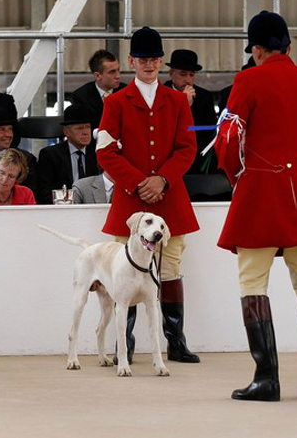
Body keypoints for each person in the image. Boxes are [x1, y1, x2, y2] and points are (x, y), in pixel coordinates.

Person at [215, 11, 297, 402]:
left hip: (261, 196)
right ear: (289, 46)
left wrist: (240, 179)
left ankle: (267, 379)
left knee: (253, 280)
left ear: (256, 49)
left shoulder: (248, 79)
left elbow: (229, 139)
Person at [97, 26, 200, 364]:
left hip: (169, 197)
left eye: (155, 58)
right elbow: (106, 152)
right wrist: (140, 182)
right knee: (123, 271)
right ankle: (121, 343)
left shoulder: (176, 101)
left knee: (169, 268)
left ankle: (176, 341)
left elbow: (188, 148)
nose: (149, 64)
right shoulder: (115, 102)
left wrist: (162, 180)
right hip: (130, 199)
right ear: (132, 61)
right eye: (143, 59)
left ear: (161, 61)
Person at [164, 49, 218, 176]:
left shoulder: (204, 97)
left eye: (191, 75)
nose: (188, 80)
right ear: (171, 74)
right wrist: (184, 105)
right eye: (183, 74)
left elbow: (208, 132)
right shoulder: (161, 95)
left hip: (197, 160)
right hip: (167, 160)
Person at [37, 104, 99, 204]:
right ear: (66, 132)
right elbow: (45, 192)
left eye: (87, 127)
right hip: (61, 210)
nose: (86, 132)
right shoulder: (50, 155)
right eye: (79, 128)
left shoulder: (97, 153)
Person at [70, 49, 127, 134]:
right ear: (97, 76)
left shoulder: (127, 92)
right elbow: (81, 130)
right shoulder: (81, 97)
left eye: (118, 70)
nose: (118, 76)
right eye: (112, 72)